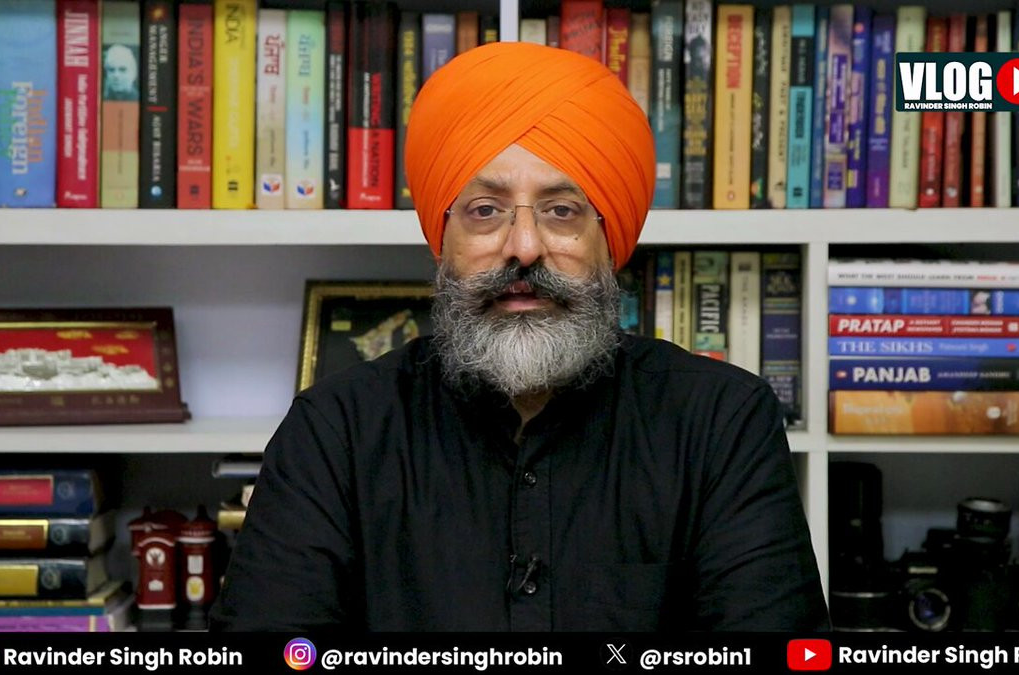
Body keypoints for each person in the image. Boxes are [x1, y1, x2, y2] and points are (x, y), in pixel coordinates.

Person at [210, 42, 828, 632]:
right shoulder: (336, 431)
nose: (524, 247)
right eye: (485, 211)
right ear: (443, 240)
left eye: (562, 210)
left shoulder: (720, 421)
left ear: (608, 241)